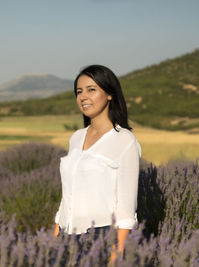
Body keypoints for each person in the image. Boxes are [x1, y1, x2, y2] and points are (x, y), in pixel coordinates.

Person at [53, 65, 141, 263]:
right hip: (65, 236)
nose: (83, 97)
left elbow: (126, 210)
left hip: (100, 238)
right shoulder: (76, 137)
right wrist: (55, 239)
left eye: (91, 90)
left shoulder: (125, 141)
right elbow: (67, 196)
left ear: (109, 94)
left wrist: (115, 257)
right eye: (79, 91)